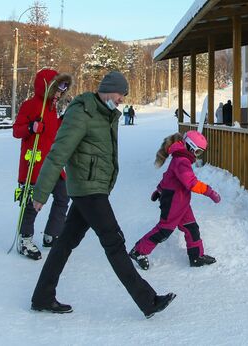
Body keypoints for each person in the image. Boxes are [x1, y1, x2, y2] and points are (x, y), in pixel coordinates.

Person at [29, 71, 175, 318]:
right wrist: (41, 192)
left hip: (94, 188)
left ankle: (42, 296)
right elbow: (58, 153)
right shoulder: (82, 112)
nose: (121, 100)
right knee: (114, 241)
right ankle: (147, 301)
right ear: (107, 89)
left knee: (65, 242)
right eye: (120, 94)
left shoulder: (106, 115)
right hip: (89, 191)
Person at [129, 130, 220, 270]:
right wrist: (210, 192)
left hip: (181, 202)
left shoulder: (181, 158)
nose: (197, 156)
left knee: (191, 228)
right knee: (164, 230)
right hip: (173, 202)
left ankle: (196, 257)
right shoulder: (181, 161)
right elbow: (191, 183)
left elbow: (168, 177)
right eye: (197, 152)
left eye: (200, 153)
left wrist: (159, 190)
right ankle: (138, 251)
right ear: (189, 146)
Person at [12, 68, 72, 260]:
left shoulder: (52, 110)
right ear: (47, 88)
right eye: (56, 90)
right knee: (33, 202)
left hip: (52, 164)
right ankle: (25, 239)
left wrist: (64, 119)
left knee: (63, 196)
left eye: (61, 92)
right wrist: (31, 127)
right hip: (34, 165)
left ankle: (51, 234)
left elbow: (52, 134)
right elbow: (16, 130)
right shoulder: (30, 105)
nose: (59, 95)